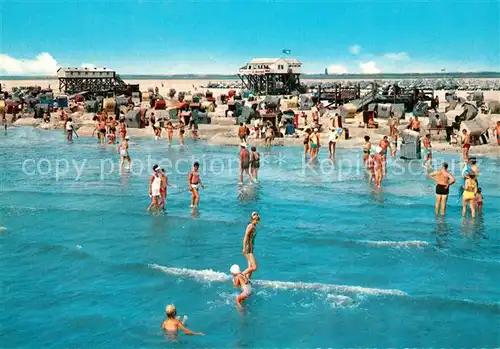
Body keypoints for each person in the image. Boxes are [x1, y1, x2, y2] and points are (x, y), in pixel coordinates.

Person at [242, 212, 260, 279]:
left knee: (250, 267)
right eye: (255, 219)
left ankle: (247, 280)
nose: (257, 221)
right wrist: (244, 248)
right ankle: (240, 275)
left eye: (258, 219)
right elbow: (245, 237)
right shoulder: (251, 226)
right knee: (254, 267)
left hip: (251, 248)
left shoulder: (253, 226)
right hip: (248, 248)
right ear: (252, 219)